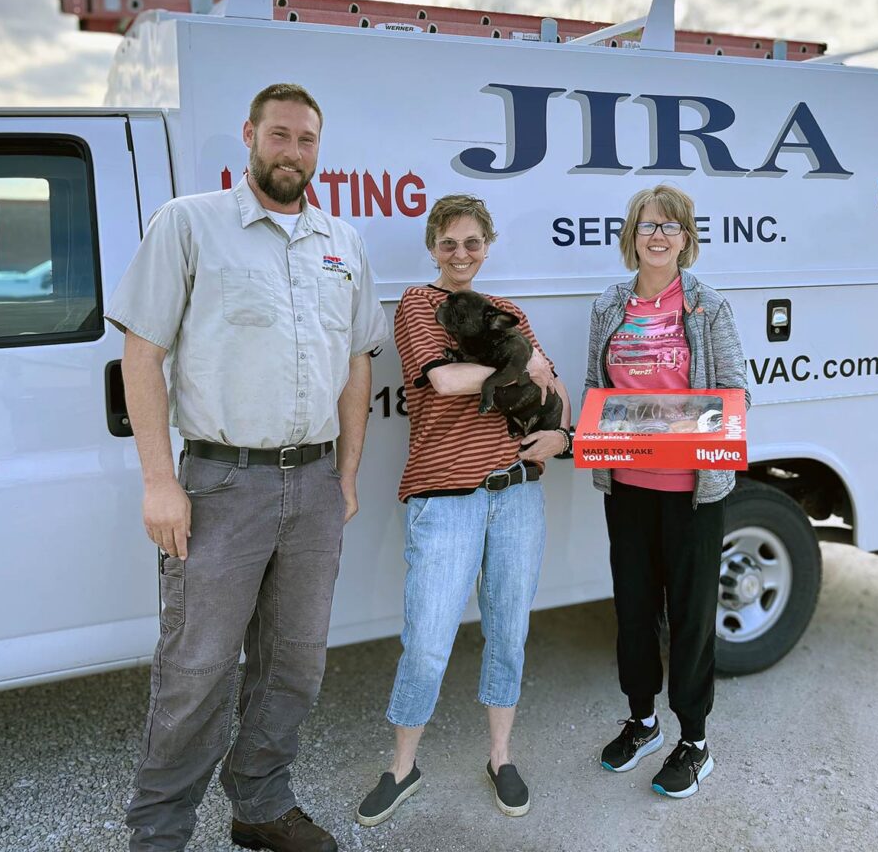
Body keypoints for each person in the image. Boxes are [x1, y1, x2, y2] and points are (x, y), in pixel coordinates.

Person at [107, 83, 388, 852]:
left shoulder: (344, 242)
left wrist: (348, 474)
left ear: (318, 149)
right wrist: (160, 482)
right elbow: (143, 352)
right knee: (197, 669)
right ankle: (158, 833)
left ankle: (260, 804)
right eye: (279, 135)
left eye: (306, 139)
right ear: (249, 136)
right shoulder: (190, 224)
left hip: (316, 484)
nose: (292, 151)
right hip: (222, 483)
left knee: (294, 663)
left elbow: (359, 363)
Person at [356, 194, 572, 826]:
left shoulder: (509, 312)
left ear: (488, 246)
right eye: (449, 242)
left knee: (509, 632)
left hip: (517, 492)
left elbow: (551, 384)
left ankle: (501, 756)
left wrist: (562, 437)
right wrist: (518, 364)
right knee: (427, 641)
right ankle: (401, 768)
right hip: (445, 498)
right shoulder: (420, 307)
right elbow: (445, 382)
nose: (461, 254)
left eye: (473, 242)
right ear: (432, 246)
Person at [584, 183, 749, 799]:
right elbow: (595, 388)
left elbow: (737, 394)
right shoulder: (609, 305)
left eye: (671, 226)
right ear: (632, 235)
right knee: (632, 612)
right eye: (648, 225)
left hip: (693, 493)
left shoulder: (708, 306)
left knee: (689, 616)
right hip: (625, 486)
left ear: (687, 238)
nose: (659, 235)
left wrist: (661, 420)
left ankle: (695, 741)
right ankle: (643, 721)